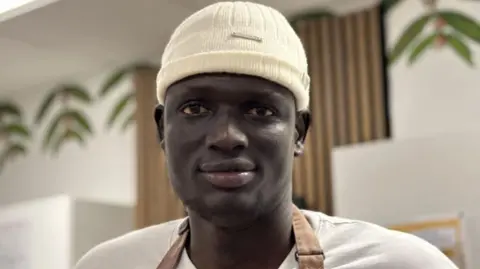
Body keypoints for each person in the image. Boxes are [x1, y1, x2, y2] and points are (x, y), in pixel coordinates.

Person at [75, 2, 458, 269]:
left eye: (260, 110)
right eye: (195, 108)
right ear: (162, 128)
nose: (226, 136)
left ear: (298, 133)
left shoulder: (402, 265)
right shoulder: (107, 266)